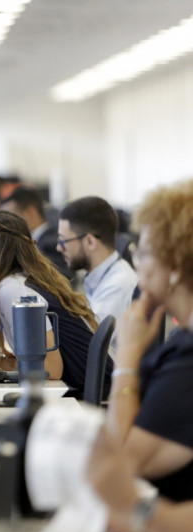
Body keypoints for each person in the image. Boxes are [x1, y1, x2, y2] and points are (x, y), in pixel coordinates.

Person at [106, 180, 193, 503]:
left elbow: (125, 464)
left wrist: (127, 356)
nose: (137, 263)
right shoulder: (183, 336)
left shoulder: (188, 361)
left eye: (142, 253)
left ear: (176, 267)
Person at [0, 210, 100, 392]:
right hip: (79, 388)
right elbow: (36, 357)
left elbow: (50, 368)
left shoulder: (12, 290)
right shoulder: (16, 282)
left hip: (86, 398)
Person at [58, 196, 137, 324]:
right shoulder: (104, 278)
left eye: (63, 241)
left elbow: (87, 341)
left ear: (90, 242)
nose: (59, 248)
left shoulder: (117, 287)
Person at [0, 185, 74, 280]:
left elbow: (59, 279)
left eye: (12, 217)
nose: (8, 225)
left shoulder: (50, 243)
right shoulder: (38, 240)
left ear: (30, 212)